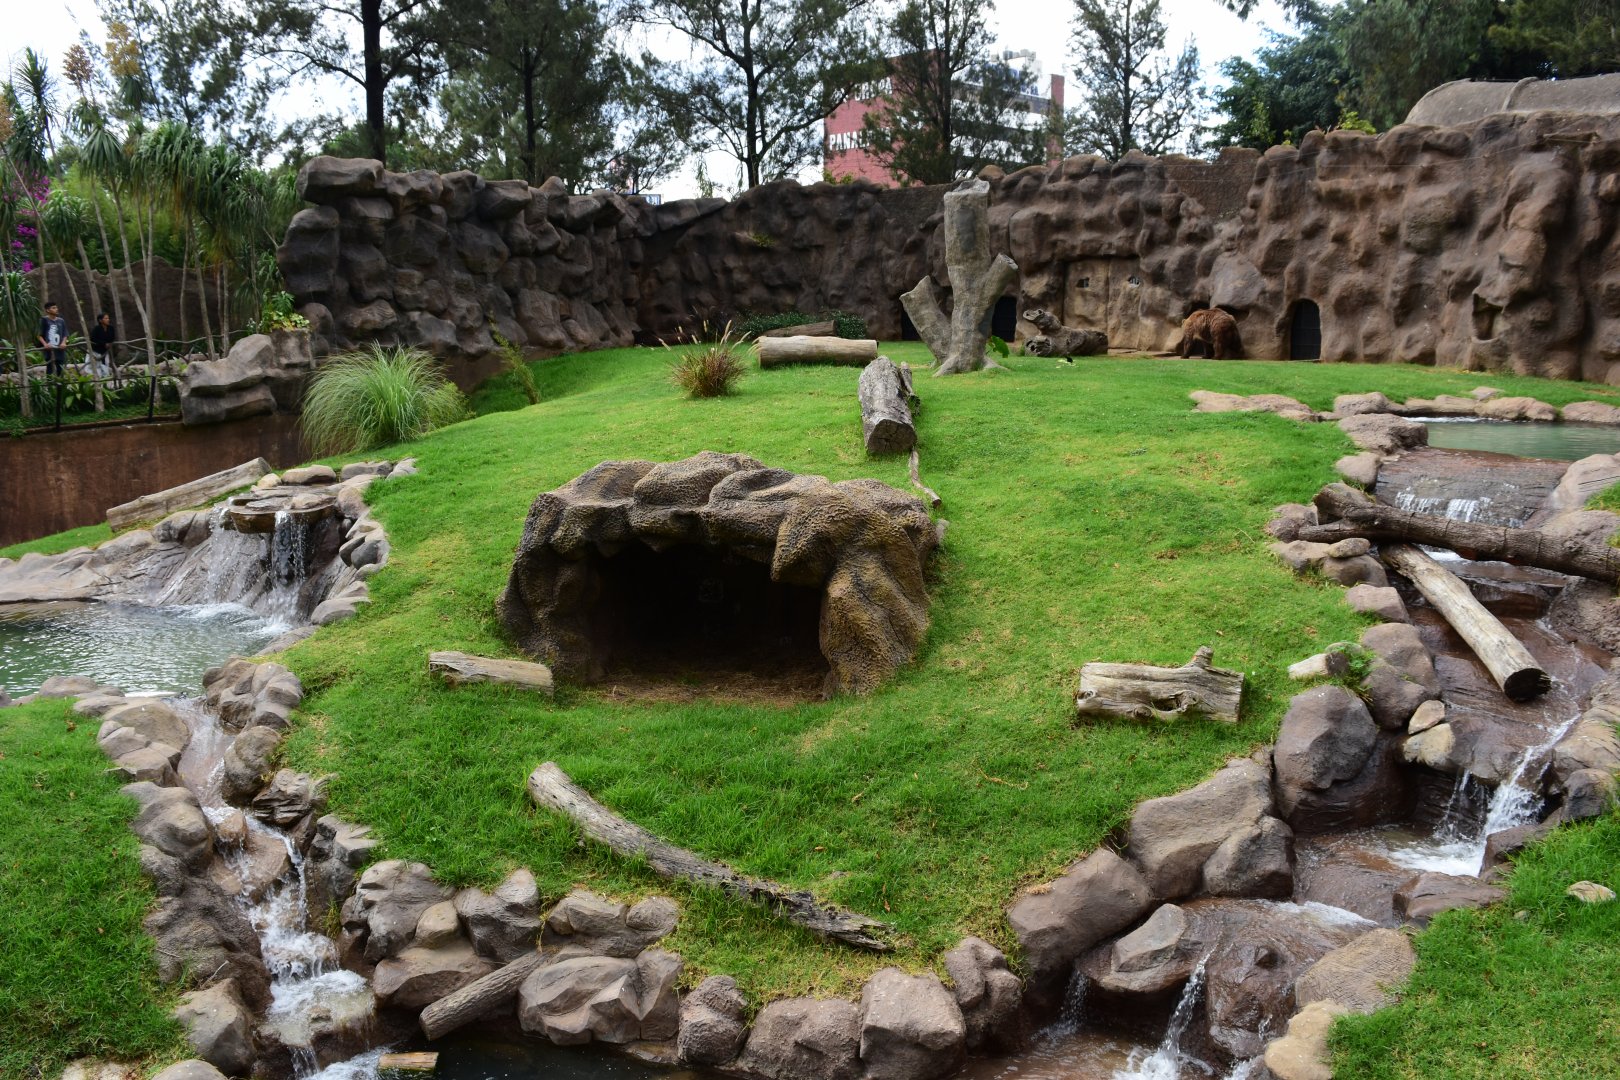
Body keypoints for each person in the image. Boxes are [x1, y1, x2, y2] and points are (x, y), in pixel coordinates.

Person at [37, 301, 68, 377]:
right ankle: (50, 386)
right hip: (49, 349)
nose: (56, 309)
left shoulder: (61, 321)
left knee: (60, 370)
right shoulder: (44, 320)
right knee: (50, 369)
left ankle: (60, 388)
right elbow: (39, 335)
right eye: (53, 308)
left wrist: (63, 343)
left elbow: (65, 334)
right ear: (48, 310)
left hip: (60, 350)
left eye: (56, 307)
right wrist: (45, 344)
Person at [88, 312, 116, 380]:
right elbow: (93, 339)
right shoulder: (97, 329)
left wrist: (109, 343)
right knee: (96, 366)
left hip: (105, 351)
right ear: (100, 320)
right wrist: (104, 343)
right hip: (96, 351)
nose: (108, 319)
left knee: (105, 364)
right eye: (106, 318)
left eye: (108, 318)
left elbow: (112, 338)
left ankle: (105, 379)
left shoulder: (111, 328)